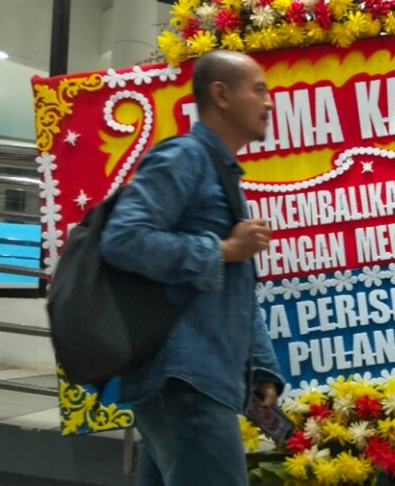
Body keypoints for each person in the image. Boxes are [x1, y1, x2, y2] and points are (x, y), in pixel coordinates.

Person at [100, 50, 284, 486]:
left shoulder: (221, 172)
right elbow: (122, 239)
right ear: (221, 94)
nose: (269, 101)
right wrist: (221, 249)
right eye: (259, 89)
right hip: (185, 383)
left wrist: (261, 368)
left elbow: (233, 288)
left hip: (197, 382)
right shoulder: (185, 157)